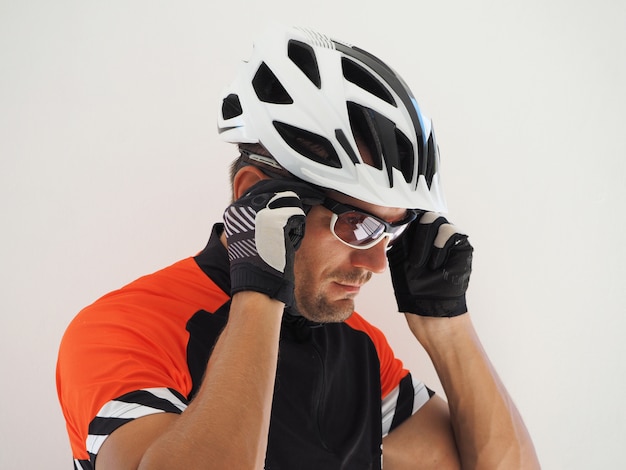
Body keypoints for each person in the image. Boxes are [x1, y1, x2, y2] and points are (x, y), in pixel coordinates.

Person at [56, 26, 540, 469]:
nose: (376, 263)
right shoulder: (121, 330)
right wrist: (260, 294)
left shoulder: (360, 345)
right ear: (254, 196)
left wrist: (448, 326)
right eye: (356, 222)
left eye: (391, 231)